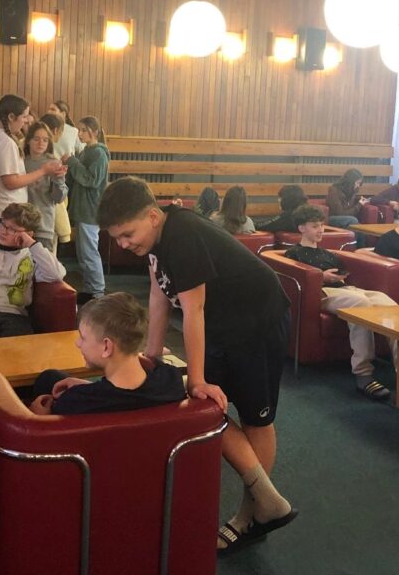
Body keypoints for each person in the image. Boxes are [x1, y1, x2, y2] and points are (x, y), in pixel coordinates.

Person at [98, 177, 296, 553]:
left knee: (254, 418)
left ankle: (253, 515)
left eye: (127, 234)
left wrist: (198, 378)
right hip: (223, 324)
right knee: (203, 408)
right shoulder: (156, 240)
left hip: (258, 322)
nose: (123, 244)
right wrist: (152, 356)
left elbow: (194, 309)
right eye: (117, 238)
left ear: (152, 216)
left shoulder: (182, 235)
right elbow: (159, 294)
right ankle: (269, 501)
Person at [283, 204, 393, 401]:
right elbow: (301, 276)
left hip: (346, 289)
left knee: (388, 304)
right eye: (315, 226)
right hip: (323, 292)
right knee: (360, 304)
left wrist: (339, 275)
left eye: (321, 225)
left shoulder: (329, 254)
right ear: (301, 228)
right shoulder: (294, 253)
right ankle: (363, 374)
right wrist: (322, 276)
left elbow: (344, 273)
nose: (320, 230)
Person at [28, 292, 186, 415]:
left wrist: (36, 419)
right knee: (50, 377)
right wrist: (88, 386)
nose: (78, 343)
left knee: (46, 381)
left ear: (106, 347)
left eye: (83, 337)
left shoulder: (75, 402)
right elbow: (125, 396)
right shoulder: (171, 380)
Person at [0, 202, 67, 340]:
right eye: (3, 224)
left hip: (14, 314)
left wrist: (32, 245)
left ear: (28, 234)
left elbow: (56, 274)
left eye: (13, 230)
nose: (3, 231)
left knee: (18, 348)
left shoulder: (32, 255)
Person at [0, 94, 64, 238]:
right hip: (3, 210)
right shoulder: (5, 142)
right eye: (24, 117)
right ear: (11, 117)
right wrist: (43, 171)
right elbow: (10, 182)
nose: (26, 121)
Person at [62, 116, 111, 302]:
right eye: (79, 130)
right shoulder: (86, 151)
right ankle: (90, 288)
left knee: (89, 252)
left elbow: (91, 180)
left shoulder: (98, 154)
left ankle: (97, 291)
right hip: (83, 208)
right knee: (83, 253)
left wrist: (72, 162)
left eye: (83, 130)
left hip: (91, 209)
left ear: (94, 132)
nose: (80, 134)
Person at [24, 120, 67, 256]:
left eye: (45, 140)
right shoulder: (21, 161)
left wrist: (58, 180)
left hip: (44, 223)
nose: (40, 143)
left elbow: (59, 198)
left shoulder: (53, 162)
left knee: (43, 264)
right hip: (22, 223)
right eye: (36, 139)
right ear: (28, 141)